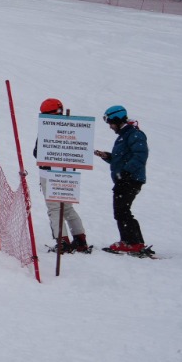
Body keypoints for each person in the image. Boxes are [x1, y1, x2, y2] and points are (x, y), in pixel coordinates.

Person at [36, 98, 90, 254]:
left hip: (49, 174)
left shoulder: (48, 129)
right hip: (68, 175)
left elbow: (37, 152)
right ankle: (80, 240)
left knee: (54, 209)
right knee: (67, 208)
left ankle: (63, 242)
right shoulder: (73, 127)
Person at [95, 105, 150, 255]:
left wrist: (126, 172)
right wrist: (108, 156)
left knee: (121, 211)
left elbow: (140, 155)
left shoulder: (134, 134)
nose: (110, 126)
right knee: (123, 210)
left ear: (118, 119)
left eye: (111, 123)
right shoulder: (125, 135)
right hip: (126, 179)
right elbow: (122, 158)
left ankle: (130, 242)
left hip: (130, 179)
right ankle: (135, 242)